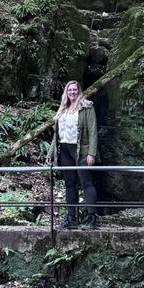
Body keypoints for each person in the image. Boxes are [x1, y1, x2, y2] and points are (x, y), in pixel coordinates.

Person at [47, 79, 99, 230]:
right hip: (64, 150)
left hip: (81, 150)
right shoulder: (63, 109)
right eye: (69, 90)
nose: (72, 93)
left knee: (86, 182)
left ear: (79, 91)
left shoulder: (86, 107)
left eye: (75, 90)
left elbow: (93, 131)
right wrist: (50, 154)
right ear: (66, 93)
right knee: (69, 184)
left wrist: (92, 153)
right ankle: (71, 218)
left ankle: (91, 218)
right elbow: (57, 135)